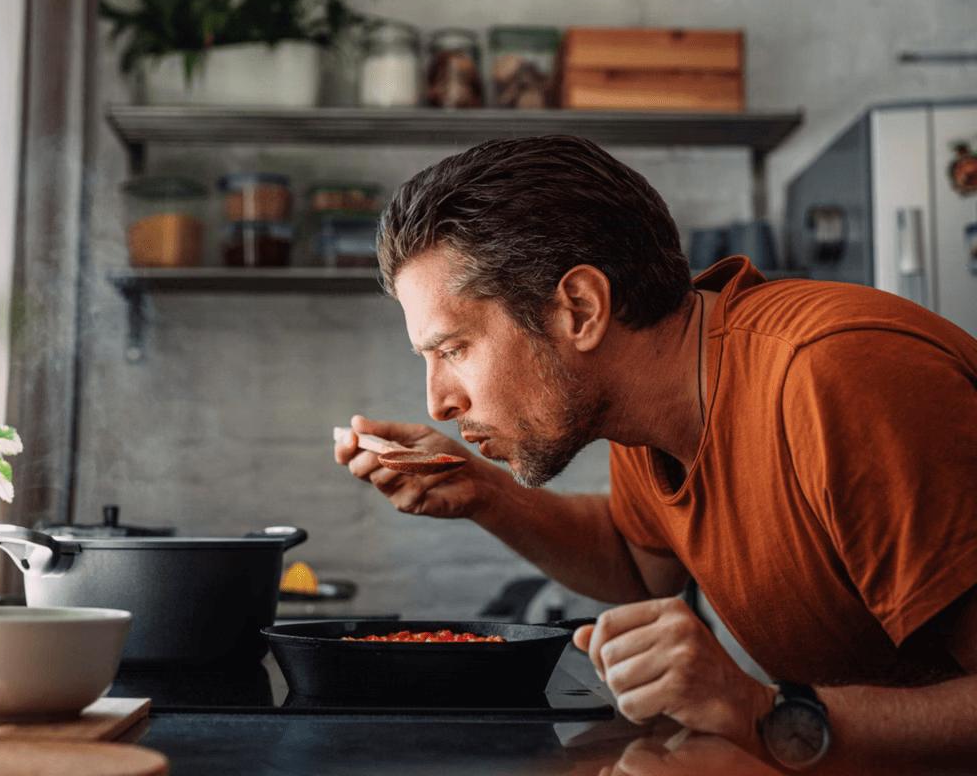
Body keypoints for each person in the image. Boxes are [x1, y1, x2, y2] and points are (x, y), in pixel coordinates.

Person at [333, 136, 977, 770]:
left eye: (453, 350)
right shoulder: (645, 402)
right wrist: (485, 493)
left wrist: (758, 710)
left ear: (580, 309)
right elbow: (641, 568)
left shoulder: (839, 378)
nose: (439, 403)